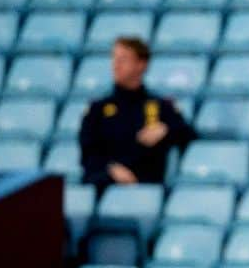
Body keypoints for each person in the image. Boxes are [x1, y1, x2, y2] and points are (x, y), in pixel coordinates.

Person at [79, 37, 196, 193]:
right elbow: (88, 152)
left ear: (141, 64)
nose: (116, 65)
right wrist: (111, 170)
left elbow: (188, 133)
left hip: (147, 188)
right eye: (114, 58)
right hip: (103, 186)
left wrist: (166, 130)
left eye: (123, 59)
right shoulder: (98, 108)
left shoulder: (159, 105)